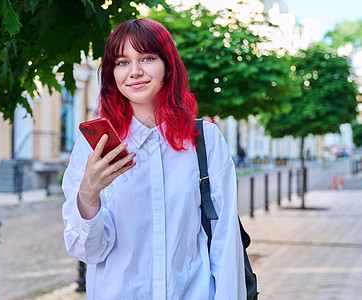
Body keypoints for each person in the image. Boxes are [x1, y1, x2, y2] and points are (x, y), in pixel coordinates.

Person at [62, 18, 246, 299]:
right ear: (111, 73)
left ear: (168, 65)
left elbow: (225, 240)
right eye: (122, 62)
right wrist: (88, 195)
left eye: (147, 58)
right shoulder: (93, 147)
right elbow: (88, 251)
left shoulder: (205, 140)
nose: (134, 72)